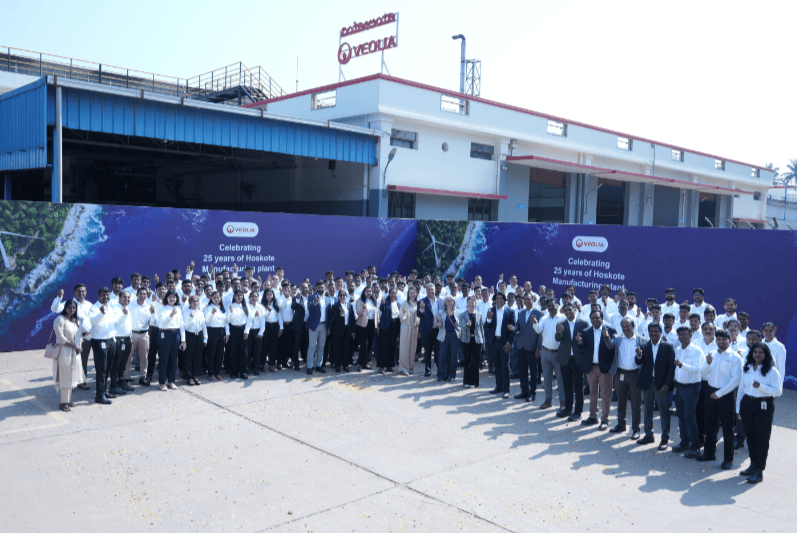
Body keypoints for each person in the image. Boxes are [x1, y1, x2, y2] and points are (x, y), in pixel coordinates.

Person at [697, 329, 743, 469]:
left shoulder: (735, 357)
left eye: (724, 339)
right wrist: (707, 363)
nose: (721, 342)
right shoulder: (712, 354)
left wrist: (720, 393)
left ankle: (728, 459)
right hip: (711, 392)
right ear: (716, 340)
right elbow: (702, 372)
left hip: (726, 395)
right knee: (710, 424)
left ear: (729, 340)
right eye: (719, 339)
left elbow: (736, 380)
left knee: (728, 428)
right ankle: (709, 453)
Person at [737, 343, 783, 483]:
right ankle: (753, 464)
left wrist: (761, 387)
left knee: (761, 439)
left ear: (766, 354)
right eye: (755, 352)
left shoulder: (772, 371)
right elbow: (741, 388)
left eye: (761, 352)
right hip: (747, 404)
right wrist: (738, 408)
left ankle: (759, 471)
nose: (757, 355)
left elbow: (778, 391)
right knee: (750, 437)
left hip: (763, 406)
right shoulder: (747, 368)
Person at [635, 323, 676, 450]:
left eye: (656, 331)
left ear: (660, 332)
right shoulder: (644, 346)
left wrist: (667, 385)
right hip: (647, 383)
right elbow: (638, 362)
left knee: (664, 412)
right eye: (651, 331)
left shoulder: (668, 347)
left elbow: (671, 368)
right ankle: (649, 434)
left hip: (662, 385)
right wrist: (639, 355)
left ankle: (665, 438)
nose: (653, 334)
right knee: (647, 410)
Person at [605, 317, 645, 439]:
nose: (626, 328)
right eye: (623, 326)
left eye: (628, 326)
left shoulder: (641, 340)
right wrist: (606, 337)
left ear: (633, 326)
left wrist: (640, 355)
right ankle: (621, 424)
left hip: (635, 374)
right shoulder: (618, 338)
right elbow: (610, 346)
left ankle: (636, 429)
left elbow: (645, 359)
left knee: (636, 403)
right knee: (621, 400)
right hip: (620, 374)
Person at [672, 326, 707, 458]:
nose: (682, 337)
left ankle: (695, 446)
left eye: (685, 334)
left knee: (689, 416)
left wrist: (682, 365)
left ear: (691, 335)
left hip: (691, 387)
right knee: (681, 415)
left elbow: (697, 369)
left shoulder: (697, 351)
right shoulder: (677, 349)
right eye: (680, 334)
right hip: (679, 386)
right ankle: (684, 442)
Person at [51, 284, 93, 391]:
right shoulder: (69, 303)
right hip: (72, 338)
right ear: (74, 292)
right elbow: (54, 309)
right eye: (79, 291)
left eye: (83, 291)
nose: (81, 293)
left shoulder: (89, 305)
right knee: (69, 361)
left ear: (86, 292)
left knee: (82, 360)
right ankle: (69, 384)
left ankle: (81, 381)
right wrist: (59, 297)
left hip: (87, 337)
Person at [554, 302, 590, 421]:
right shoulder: (561, 324)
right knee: (567, 385)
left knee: (578, 387)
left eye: (570, 309)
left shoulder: (583, 324)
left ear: (575, 310)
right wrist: (559, 333)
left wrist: (580, 341)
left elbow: (586, 343)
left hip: (577, 360)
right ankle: (568, 409)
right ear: (563, 312)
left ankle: (578, 411)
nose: (568, 312)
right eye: (566, 311)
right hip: (565, 360)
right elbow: (558, 339)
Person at [52, 299, 84, 411]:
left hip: (73, 353)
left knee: (72, 376)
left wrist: (79, 346)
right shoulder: (60, 320)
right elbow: (61, 338)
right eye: (69, 307)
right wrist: (75, 347)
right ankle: (63, 402)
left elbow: (78, 335)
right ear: (65, 308)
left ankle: (68, 400)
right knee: (64, 377)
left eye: (74, 308)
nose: (72, 310)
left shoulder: (73, 321)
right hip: (64, 352)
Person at [89, 287, 120, 404]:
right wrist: (101, 313)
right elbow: (93, 321)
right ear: (98, 296)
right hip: (100, 341)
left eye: (107, 295)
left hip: (111, 341)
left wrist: (114, 339)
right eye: (103, 295)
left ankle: (104, 391)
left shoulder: (110, 307)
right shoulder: (94, 308)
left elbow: (112, 324)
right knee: (101, 369)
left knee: (108, 368)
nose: (106, 297)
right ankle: (99, 395)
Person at [534, 298, 564, 409]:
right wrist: (535, 323)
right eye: (549, 306)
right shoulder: (544, 318)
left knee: (560, 379)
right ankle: (548, 400)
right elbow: (538, 330)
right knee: (547, 378)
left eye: (553, 305)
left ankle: (562, 402)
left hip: (558, 353)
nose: (551, 307)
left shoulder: (562, 318)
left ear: (557, 306)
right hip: (545, 352)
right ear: (547, 307)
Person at [485, 292, 516, 397]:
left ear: (504, 300)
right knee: (497, 365)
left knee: (505, 366)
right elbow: (487, 326)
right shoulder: (491, 311)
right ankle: (499, 386)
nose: (499, 300)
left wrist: (509, 342)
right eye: (497, 298)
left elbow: (512, 329)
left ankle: (506, 390)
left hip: (504, 342)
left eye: (501, 298)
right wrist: (489, 318)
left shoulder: (510, 312)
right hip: (494, 342)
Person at [514, 293, 543, 401]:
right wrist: (514, 328)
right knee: (522, 371)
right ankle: (524, 391)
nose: (526, 301)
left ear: (532, 300)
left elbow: (540, 332)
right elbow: (518, 325)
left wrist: (539, 347)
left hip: (532, 347)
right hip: (521, 346)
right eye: (524, 299)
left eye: (528, 299)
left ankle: (532, 393)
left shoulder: (539, 313)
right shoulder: (521, 313)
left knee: (533, 372)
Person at [460, 296, 485, 388]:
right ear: (467, 304)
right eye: (469, 303)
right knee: (467, 361)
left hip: (477, 340)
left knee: (475, 361)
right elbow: (460, 326)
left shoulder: (479, 314)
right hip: (466, 340)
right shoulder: (463, 314)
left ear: (475, 304)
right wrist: (466, 325)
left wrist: (483, 342)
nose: (471, 304)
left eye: (473, 303)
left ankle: (474, 382)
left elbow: (481, 329)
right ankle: (466, 381)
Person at [183, 295, 208, 385]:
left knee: (198, 356)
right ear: (189, 303)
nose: (195, 303)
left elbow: (204, 326)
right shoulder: (186, 312)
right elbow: (185, 326)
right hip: (190, 335)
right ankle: (189, 377)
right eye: (193, 301)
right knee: (189, 357)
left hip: (199, 335)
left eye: (197, 301)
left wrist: (205, 338)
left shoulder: (200, 313)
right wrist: (190, 318)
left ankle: (195, 376)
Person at [328, 290, 355, 373]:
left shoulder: (350, 305)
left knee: (346, 348)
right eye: (341, 295)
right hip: (338, 330)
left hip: (347, 329)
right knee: (338, 348)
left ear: (346, 296)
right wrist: (340, 314)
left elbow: (352, 319)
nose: (342, 297)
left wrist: (353, 331)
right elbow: (334, 318)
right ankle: (337, 365)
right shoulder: (335, 306)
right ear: (338, 296)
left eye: (344, 295)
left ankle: (345, 365)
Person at [306, 281, 330, 375]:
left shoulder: (327, 299)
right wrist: (314, 303)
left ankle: (319, 365)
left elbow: (329, 314)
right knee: (312, 346)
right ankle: (309, 366)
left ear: (325, 288)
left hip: (324, 326)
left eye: (322, 287)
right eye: (319, 287)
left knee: (321, 346)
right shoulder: (312, 297)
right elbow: (309, 308)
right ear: (316, 288)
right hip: (314, 325)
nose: (321, 289)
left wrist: (329, 327)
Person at [225, 290, 250, 379]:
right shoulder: (231, 306)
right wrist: (231, 311)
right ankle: (234, 371)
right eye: (238, 295)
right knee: (233, 351)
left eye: (241, 295)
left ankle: (243, 371)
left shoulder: (245, 306)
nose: (239, 297)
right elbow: (227, 320)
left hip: (243, 329)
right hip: (233, 329)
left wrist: (246, 331)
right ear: (234, 296)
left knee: (243, 351)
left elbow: (249, 319)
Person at [417, 283, 440, 377]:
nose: (431, 291)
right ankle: (427, 370)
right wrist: (422, 309)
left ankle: (440, 369)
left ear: (435, 290)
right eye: (429, 289)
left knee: (438, 351)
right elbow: (419, 314)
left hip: (438, 330)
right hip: (427, 331)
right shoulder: (422, 301)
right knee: (427, 352)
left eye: (432, 289)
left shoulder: (440, 301)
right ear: (426, 291)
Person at [436, 296, 461, 382]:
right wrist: (438, 323)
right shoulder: (441, 312)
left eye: (451, 301)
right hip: (444, 334)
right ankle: (442, 374)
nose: (450, 302)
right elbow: (439, 324)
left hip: (454, 335)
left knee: (453, 355)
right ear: (445, 302)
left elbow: (460, 324)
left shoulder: (458, 312)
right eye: (448, 301)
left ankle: (451, 374)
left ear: (454, 302)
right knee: (442, 355)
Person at [203, 291, 226, 382]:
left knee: (220, 353)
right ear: (211, 298)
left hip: (222, 331)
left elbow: (225, 321)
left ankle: (217, 372)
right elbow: (207, 321)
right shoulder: (208, 307)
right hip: (212, 330)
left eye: (218, 297)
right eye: (214, 298)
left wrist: (227, 333)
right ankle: (211, 373)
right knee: (211, 353)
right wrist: (212, 313)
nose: (216, 299)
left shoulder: (222, 308)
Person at [398, 286, 421, 376]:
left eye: (414, 293)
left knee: (412, 348)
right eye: (410, 293)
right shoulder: (404, 303)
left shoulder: (418, 304)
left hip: (415, 328)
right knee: (404, 348)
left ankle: (410, 367)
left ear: (416, 294)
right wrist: (403, 313)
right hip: (406, 327)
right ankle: (403, 368)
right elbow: (401, 317)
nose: (412, 294)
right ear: (408, 294)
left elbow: (420, 316)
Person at [377, 288, 400, 374]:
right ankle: (382, 367)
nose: (393, 294)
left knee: (392, 346)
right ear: (389, 294)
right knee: (383, 346)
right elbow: (382, 309)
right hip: (386, 326)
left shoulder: (398, 303)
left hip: (395, 326)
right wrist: (383, 304)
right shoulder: (385, 302)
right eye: (392, 293)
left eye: (395, 293)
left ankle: (389, 366)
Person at [260, 288, 283, 373]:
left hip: (275, 326)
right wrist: (268, 311)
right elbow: (263, 317)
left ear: (273, 295)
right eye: (267, 295)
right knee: (264, 345)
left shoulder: (276, 304)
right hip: (266, 326)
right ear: (265, 295)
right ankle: (263, 364)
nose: (269, 296)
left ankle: (271, 364)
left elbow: (279, 316)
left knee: (273, 346)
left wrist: (281, 327)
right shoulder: (262, 305)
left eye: (271, 294)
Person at [355, 287, 377, 372]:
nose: (368, 292)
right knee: (363, 344)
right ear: (364, 292)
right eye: (367, 291)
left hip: (372, 324)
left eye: (370, 291)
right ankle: (361, 364)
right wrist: (363, 308)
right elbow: (358, 314)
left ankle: (366, 363)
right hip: (362, 325)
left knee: (370, 343)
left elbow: (376, 313)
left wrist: (377, 325)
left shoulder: (374, 300)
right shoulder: (359, 300)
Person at [761, 322, 787, 386]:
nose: (768, 333)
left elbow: (781, 368)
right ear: (762, 331)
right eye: (766, 330)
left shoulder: (780, 347)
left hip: (772, 380)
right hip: (759, 378)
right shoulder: (759, 344)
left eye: (770, 331)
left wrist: (780, 385)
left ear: (774, 331)